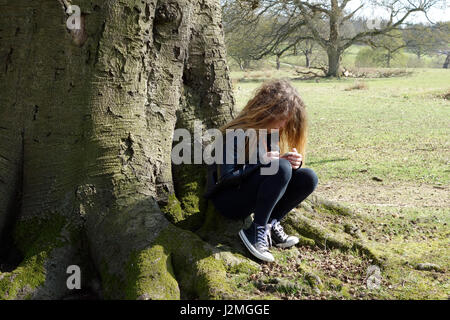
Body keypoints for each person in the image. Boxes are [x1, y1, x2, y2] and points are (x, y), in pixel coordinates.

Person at [208, 79, 318, 263]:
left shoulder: (268, 133)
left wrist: (292, 163)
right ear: (268, 111)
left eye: (287, 119)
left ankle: (269, 225)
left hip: (250, 193)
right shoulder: (235, 133)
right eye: (282, 118)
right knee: (280, 167)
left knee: (308, 177)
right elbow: (226, 178)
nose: (283, 125)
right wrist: (267, 163)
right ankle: (254, 232)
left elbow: (269, 170)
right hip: (228, 200)